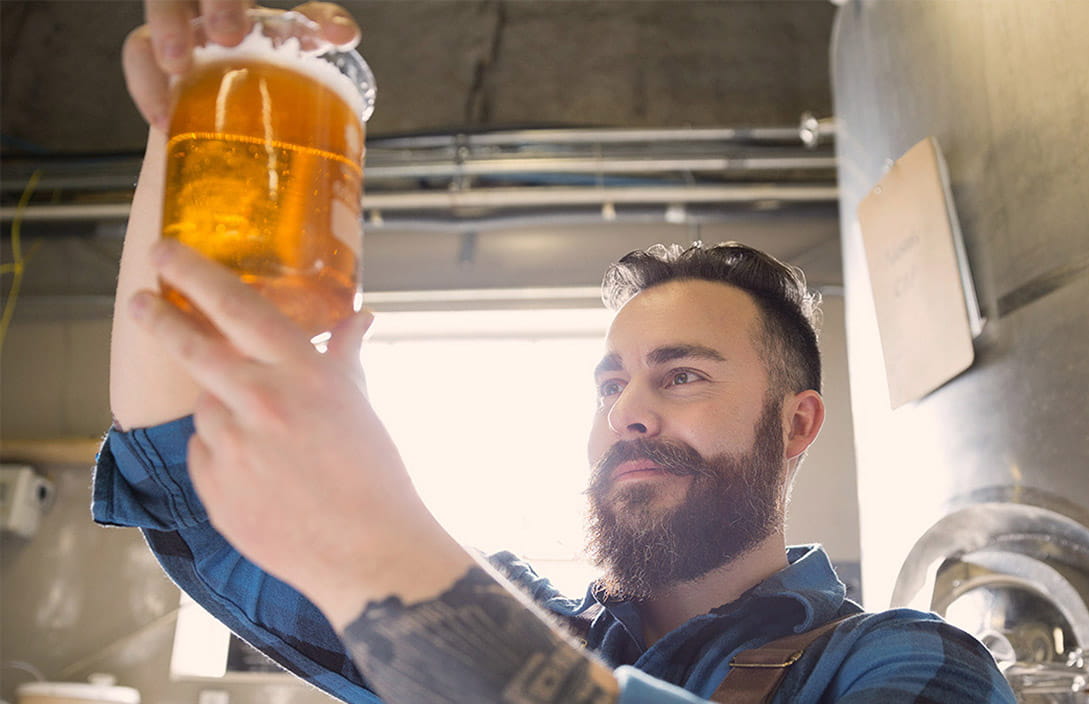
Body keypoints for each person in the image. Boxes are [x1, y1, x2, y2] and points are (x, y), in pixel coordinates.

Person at [95, 2, 1016, 702]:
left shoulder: (901, 659)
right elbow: (184, 467)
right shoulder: (526, 614)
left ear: (799, 419)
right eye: (610, 383)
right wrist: (191, 127)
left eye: (682, 374)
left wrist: (392, 566)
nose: (629, 413)